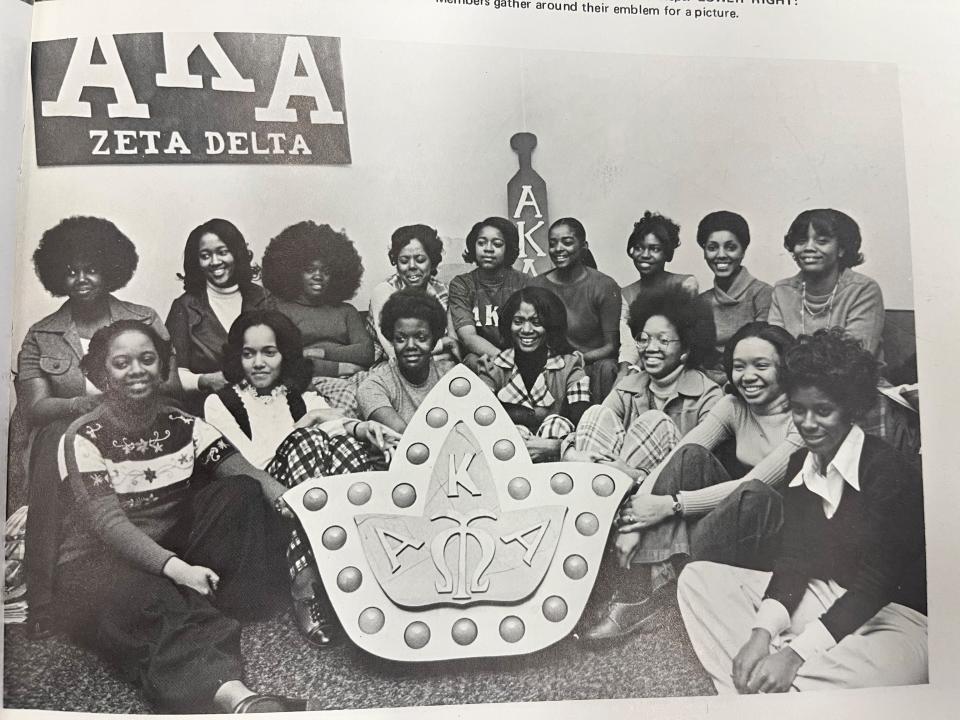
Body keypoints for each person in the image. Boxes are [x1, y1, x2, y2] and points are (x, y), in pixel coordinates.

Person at [53, 320, 311, 712]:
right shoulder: (82, 435)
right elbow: (108, 525)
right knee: (154, 602)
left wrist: (303, 508)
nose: (136, 370)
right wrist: (176, 570)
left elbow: (243, 470)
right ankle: (239, 699)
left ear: (162, 368)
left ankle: (198, 599)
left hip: (169, 546)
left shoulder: (182, 423)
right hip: (101, 565)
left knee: (241, 492)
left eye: (147, 359)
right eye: (121, 363)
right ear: (101, 374)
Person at [678, 328, 926, 694]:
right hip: (826, 595)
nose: (808, 424)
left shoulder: (889, 472)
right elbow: (794, 560)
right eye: (798, 409)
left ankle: (773, 680)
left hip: (893, 614)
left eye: (823, 411)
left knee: (895, 666)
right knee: (696, 578)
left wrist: (795, 655)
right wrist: (760, 635)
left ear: (850, 409)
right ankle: (773, 681)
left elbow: (875, 585)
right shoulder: (799, 465)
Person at [579, 322, 800, 642]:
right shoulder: (733, 406)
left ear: (785, 368)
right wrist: (638, 516)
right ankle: (642, 594)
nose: (748, 376)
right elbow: (679, 454)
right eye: (739, 367)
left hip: (779, 537)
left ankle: (662, 592)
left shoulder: (805, 416)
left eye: (761, 365)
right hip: (735, 518)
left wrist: (670, 505)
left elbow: (757, 481)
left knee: (753, 492)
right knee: (691, 456)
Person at [16, 216, 180, 636]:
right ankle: (43, 602)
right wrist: (87, 404)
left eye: (91, 268)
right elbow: (36, 408)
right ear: (57, 276)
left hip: (136, 424)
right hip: (71, 431)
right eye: (70, 271)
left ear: (110, 268)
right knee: (52, 441)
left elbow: (170, 383)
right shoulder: (42, 334)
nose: (82, 279)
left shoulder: (142, 318)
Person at [204, 310, 399, 646]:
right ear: (237, 357)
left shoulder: (296, 395)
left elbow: (334, 423)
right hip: (267, 503)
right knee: (309, 439)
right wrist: (302, 426)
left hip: (308, 495)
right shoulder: (221, 402)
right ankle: (308, 585)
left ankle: (346, 575)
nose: (259, 363)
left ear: (284, 355)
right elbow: (249, 463)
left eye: (269, 352)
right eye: (248, 354)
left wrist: (362, 427)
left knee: (343, 446)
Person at [565, 286, 723, 478]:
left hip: (672, 492)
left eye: (663, 340)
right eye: (644, 339)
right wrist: (570, 453)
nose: (650, 348)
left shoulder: (708, 395)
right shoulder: (628, 387)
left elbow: (702, 465)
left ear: (686, 348)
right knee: (596, 414)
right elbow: (587, 433)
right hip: (613, 483)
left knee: (655, 421)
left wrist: (634, 474)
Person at [165, 218, 267, 412]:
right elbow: (172, 377)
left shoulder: (264, 298)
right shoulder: (184, 308)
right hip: (210, 409)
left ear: (236, 254)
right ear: (197, 261)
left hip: (267, 402)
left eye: (222, 252)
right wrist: (205, 380)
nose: (215, 262)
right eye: (205, 255)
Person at [479, 287, 591, 462]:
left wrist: (553, 447)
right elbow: (480, 423)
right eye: (518, 321)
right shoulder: (493, 367)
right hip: (508, 460)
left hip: (557, 465)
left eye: (536, 322)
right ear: (508, 324)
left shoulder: (569, 366)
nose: (526, 329)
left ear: (551, 326)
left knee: (556, 423)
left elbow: (584, 427)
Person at [261, 221, 374, 378]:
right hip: (305, 383)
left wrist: (319, 352)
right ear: (293, 272)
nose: (318, 276)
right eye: (309, 270)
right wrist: (338, 368)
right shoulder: (278, 309)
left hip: (353, 380)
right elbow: (280, 360)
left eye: (325, 271)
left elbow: (366, 352)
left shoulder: (346, 311)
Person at [768, 209, 885, 358]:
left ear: (841, 249)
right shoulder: (782, 291)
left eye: (822, 241)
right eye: (801, 241)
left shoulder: (863, 289)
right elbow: (773, 352)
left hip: (855, 379)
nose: (808, 248)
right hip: (791, 380)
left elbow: (857, 358)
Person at [530, 217, 621, 402]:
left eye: (567, 242)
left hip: (591, 365)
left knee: (608, 368)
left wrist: (578, 359)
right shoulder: (537, 285)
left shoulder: (604, 285)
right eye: (553, 243)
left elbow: (611, 346)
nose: (558, 249)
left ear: (584, 246)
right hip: (551, 366)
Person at [357, 289, 455, 434]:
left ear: (434, 341)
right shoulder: (373, 387)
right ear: (391, 340)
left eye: (421, 338)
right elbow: (406, 438)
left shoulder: (450, 376)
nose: (410, 346)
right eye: (401, 339)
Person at [617, 211, 700, 375]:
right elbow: (628, 343)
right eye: (639, 248)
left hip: (676, 363)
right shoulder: (626, 293)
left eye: (654, 249)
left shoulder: (686, 284)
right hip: (642, 361)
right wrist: (625, 371)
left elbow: (679, 337)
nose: (645, 255)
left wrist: (637, 368)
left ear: (667, 254)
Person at [448, 216, 529, 374]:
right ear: (473, 246)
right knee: (473, 361)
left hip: (520, 356)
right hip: (480, 356)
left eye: (497, 244)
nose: (488, 249)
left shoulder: (524, 282)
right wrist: (504, 360)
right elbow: (468, 336)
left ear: (508, 248)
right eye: (481, 243)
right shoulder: (461, 284)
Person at [367, 223, 458, 363]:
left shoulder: (444, 291)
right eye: (404, 261)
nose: (412, 266)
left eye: (420, 260)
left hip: (437, 366)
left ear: (432, 261)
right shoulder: (384, 291)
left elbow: (455, 347)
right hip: (391, 368)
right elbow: (394, 353)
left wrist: (447, 349)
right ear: (395, 262)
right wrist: (444, 345)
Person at [696, 211, 773, 356]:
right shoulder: (701, 301)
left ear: (743, 251)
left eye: (731, 247)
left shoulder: (763, 294)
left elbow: (762, 350)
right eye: (712, 248)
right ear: (704, 252)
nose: (721, 255)